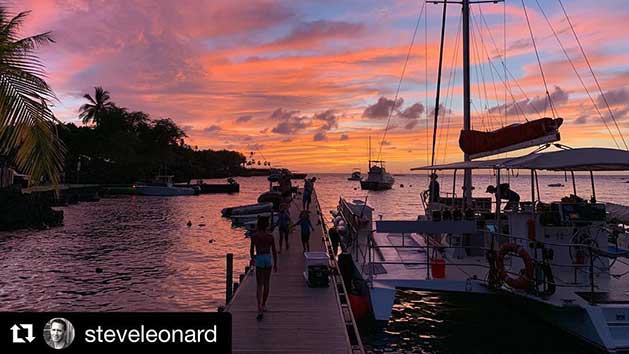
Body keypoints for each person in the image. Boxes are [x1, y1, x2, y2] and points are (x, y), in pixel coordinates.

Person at [250, 216, 278, 320]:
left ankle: (259, 307)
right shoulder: (270, 236)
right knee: (267, 283)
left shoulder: (254, 236)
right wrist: (275, 264)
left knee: (259, 284)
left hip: (260, 258)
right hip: (268, 258)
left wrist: (253, 259)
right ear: (266, 225)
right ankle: (264, 304)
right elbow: (274, 251)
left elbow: (251, 250)